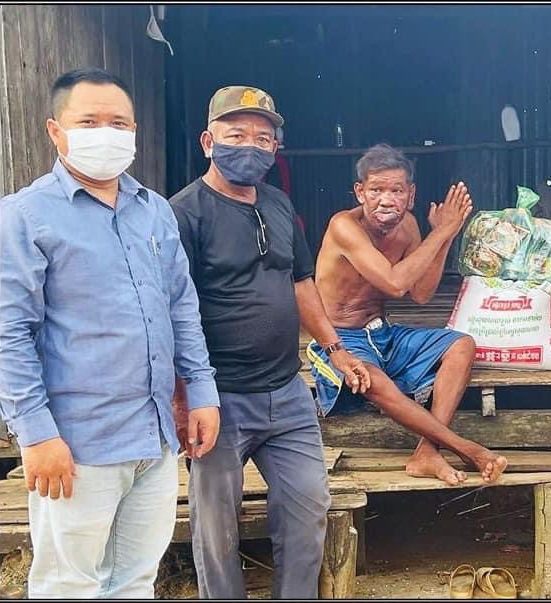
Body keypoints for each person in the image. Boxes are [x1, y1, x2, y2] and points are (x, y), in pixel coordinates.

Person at [0, 68, 221, 598]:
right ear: (56, 131)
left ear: (134, 131)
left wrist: (201, 391)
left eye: (118, 123)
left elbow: (181, 307)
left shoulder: (154, 211)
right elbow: (9, 333)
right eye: (89, 122)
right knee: (69, 584)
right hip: (78, 443)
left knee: (135, 580)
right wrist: (36, 433)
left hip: (154, 438)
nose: (106, 133)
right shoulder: (24, 216)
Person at [169, 85, 369, 599]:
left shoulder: (278, 204)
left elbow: (300, 282)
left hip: (287, 391)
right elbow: (170, 309)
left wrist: (336, 349)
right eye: (236, 135)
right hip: (218, 397)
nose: (251, 147)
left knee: (308, 508)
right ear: (208, 142)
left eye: (263, 138)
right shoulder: (183, 213)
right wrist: (182, 395)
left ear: (276, 148)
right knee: (216, 527)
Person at [310, 143, 508, 486]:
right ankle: (465, 448)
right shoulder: (343, 225)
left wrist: (446, 236)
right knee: (370, 377)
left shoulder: (409, 226)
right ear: (360, 192)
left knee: (461, 344)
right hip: (339, 340)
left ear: (411, 195)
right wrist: (442, 231)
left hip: (382, 334)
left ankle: (427, 451)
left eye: (397, 191)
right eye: (376, 190)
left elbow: (421, 293)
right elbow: (394, 282)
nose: (386, 200)